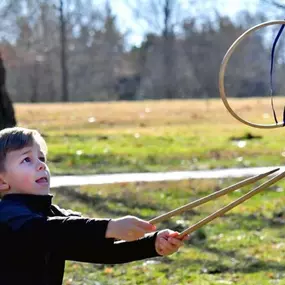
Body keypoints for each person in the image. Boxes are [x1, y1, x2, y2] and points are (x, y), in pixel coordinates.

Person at [0, 127, 187, 285]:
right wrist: (109, 227)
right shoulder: (7, 216)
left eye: (42, 158)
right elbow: (49, 231)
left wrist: (152, 244)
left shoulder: (53, 215)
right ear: (1, 182)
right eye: (27, 160)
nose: (41, 165)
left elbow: (98, 248)